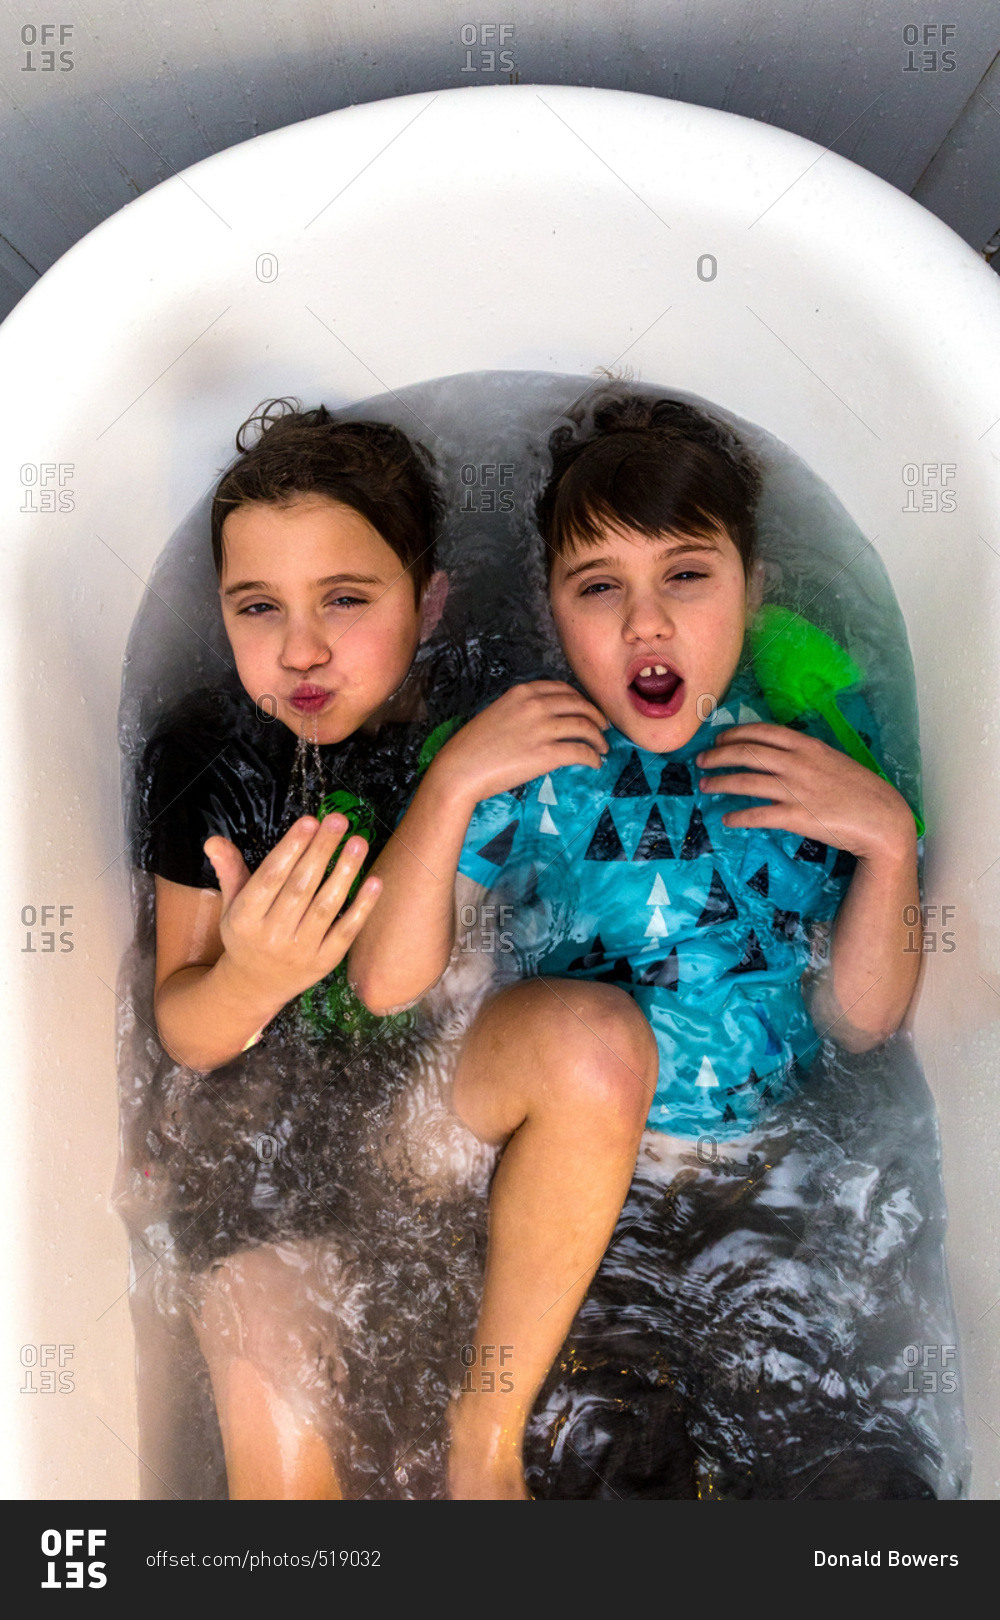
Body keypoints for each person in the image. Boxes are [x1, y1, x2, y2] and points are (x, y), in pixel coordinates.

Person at [348, 387, 923, 1500]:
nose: (644, 623)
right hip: (551, 1166)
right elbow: (387, 983)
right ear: (552, 612)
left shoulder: (805, 771)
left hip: (753, 1178)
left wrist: (887, 845)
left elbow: (858, 1021)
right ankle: (498, 1447)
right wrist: (460, 777)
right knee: (613, 1465)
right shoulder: (534, 756)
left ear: (752, 595)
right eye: (598, 587)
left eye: (686, 578)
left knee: (867, 1488)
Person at [129, 398, 511, 1498]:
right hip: (264, 1162)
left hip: (432, 1124)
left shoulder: (468, 722)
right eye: (258, 607)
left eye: (347, 600)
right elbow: (185, 1033)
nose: (299, 649)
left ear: (429, 601)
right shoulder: (213, 754)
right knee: (275, 1411)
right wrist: (252, 977)